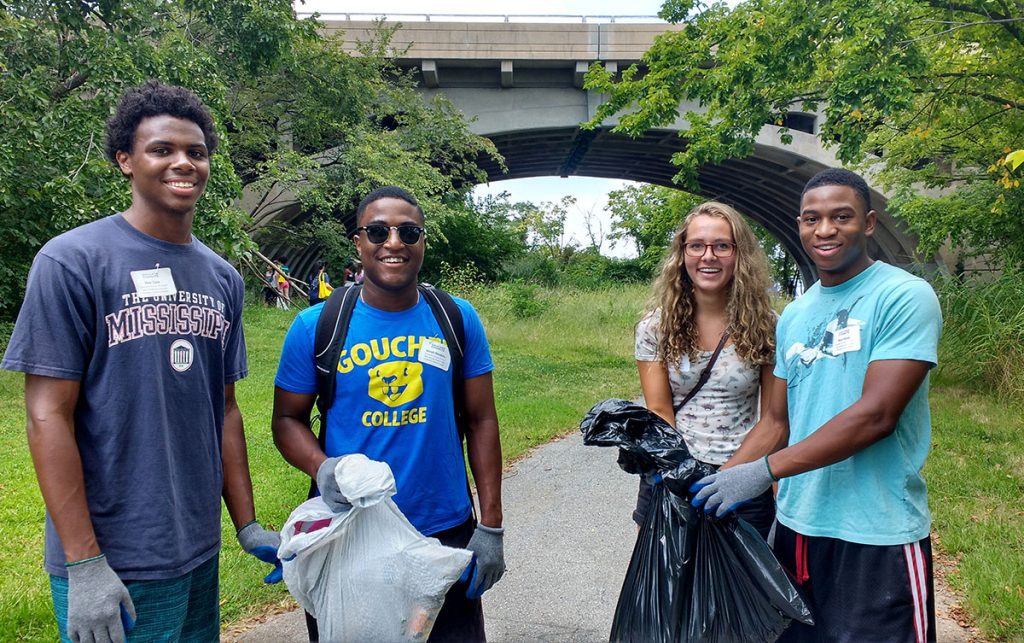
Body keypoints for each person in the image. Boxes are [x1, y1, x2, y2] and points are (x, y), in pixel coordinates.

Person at [0, 81, 281, 643]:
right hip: (113, 558)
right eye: (162, 150)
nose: (183, 163)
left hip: (197, 549)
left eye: (196, 152)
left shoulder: (222, 277)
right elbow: (47, 416)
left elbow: (223, 411)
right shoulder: (72, 261)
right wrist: (83, 564)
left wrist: (245, 525)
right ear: (125, 160)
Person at [691, 168, 942, 642]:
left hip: (877, 532)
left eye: (840, 217)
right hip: (796, 529)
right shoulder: (795, 315)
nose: (824, 230)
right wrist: (722, 480)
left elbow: (876, 416)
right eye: (811, 219)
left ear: (868, 223)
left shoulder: (903, 296)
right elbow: (777, 421)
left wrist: (763, 472)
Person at [272, 186, 505, 642]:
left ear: (422, 241)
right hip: (350, 534)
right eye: (378, 231)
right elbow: (286, 420)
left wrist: (491, 527)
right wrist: (325, 469)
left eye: (408, 231)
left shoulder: (457, 318)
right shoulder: (315, 326)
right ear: (358, 242)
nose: (393, 242)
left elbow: (482, 421)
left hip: (444, 533)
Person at [633, 201, 778, 538]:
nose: (708, 256)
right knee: (666, 588)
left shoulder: (768, 326)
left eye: (721, 246)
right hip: (673, 477)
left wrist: (727, 478)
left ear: (739, 254)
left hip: (743, 483)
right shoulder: (656, 327)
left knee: (743, 591)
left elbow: (773, 418)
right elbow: (658, 410)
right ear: (682, 254)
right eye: (696, 245)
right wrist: (684, 473)